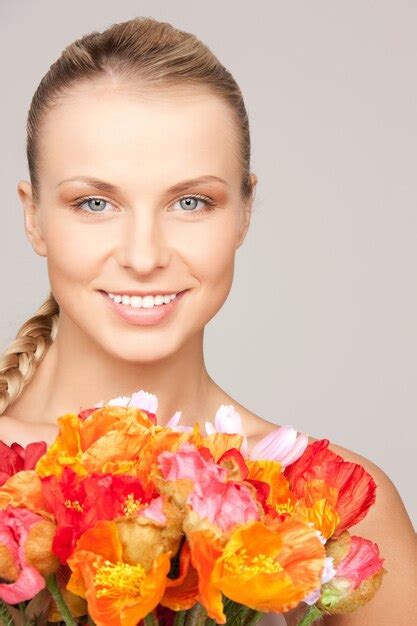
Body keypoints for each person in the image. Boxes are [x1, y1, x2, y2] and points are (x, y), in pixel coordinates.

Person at [0, 16, 414, 626]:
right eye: (95, 203)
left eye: (190, 202)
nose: (144, 257)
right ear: (34, 218)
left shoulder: (335, 510)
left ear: (243, 212)